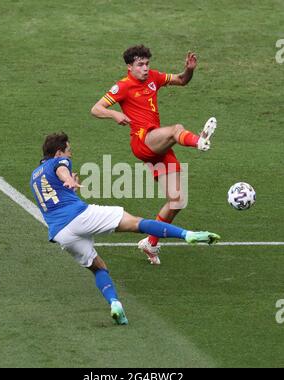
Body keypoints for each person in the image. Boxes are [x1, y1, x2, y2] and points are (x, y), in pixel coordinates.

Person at [30, 133, 220, 325]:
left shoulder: (34, 176)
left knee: (98, 268)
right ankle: (187, 234)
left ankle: (114, 303)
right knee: (136, 223)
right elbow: (62, 169)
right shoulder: (60, 162)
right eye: (69, 151)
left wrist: (69, 189)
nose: (71, 155)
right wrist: (68, 179)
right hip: (78, 216)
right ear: (59, 152)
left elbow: (53, 198)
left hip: (61, 233)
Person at [91, 45, 217, 265]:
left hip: (158, 146)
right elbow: (96, 108)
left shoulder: (154, 78)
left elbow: (181, 80)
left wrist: (189, 70)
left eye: (147, 63)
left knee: (177, 201)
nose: (146, 68)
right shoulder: (123, 86)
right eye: (140, 65)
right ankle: (199, 141)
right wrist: (114, 114)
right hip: (143, 141)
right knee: (176, 129)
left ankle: (150, 242)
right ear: (129, 66)